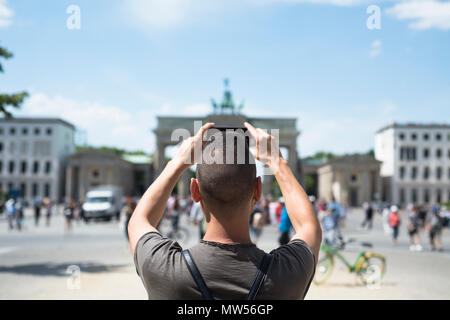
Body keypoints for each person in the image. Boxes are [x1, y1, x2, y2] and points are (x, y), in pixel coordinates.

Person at [128, 122, 321, 299]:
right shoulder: (288, 273)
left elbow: (139, 220)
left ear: (194, 191)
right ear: (258, 190)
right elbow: (308, 226)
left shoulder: (164, 269)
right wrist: (278, 163)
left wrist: (177, 162)